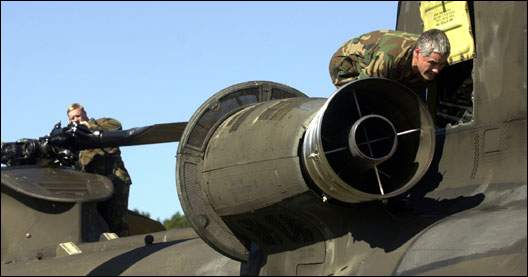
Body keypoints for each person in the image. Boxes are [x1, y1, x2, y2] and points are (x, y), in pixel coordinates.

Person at [67, 103, 132, 237]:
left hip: (115, 180)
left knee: (117, 223)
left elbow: (117, 126)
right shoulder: (73, 137)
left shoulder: (102, 123)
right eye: (72, 118)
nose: (75, 120)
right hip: (93, 185)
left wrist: (89, 127)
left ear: (84, 114)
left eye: (78, 116)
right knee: (97, 225)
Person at [329, 29, 450, 94]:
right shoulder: (387, 58)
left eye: (441, 64)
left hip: (395, 68)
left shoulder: (428, 58)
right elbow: (363, 87)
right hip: (347, 66)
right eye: (432, 63)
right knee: (361, 101)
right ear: (417, 53)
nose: (437, 70)